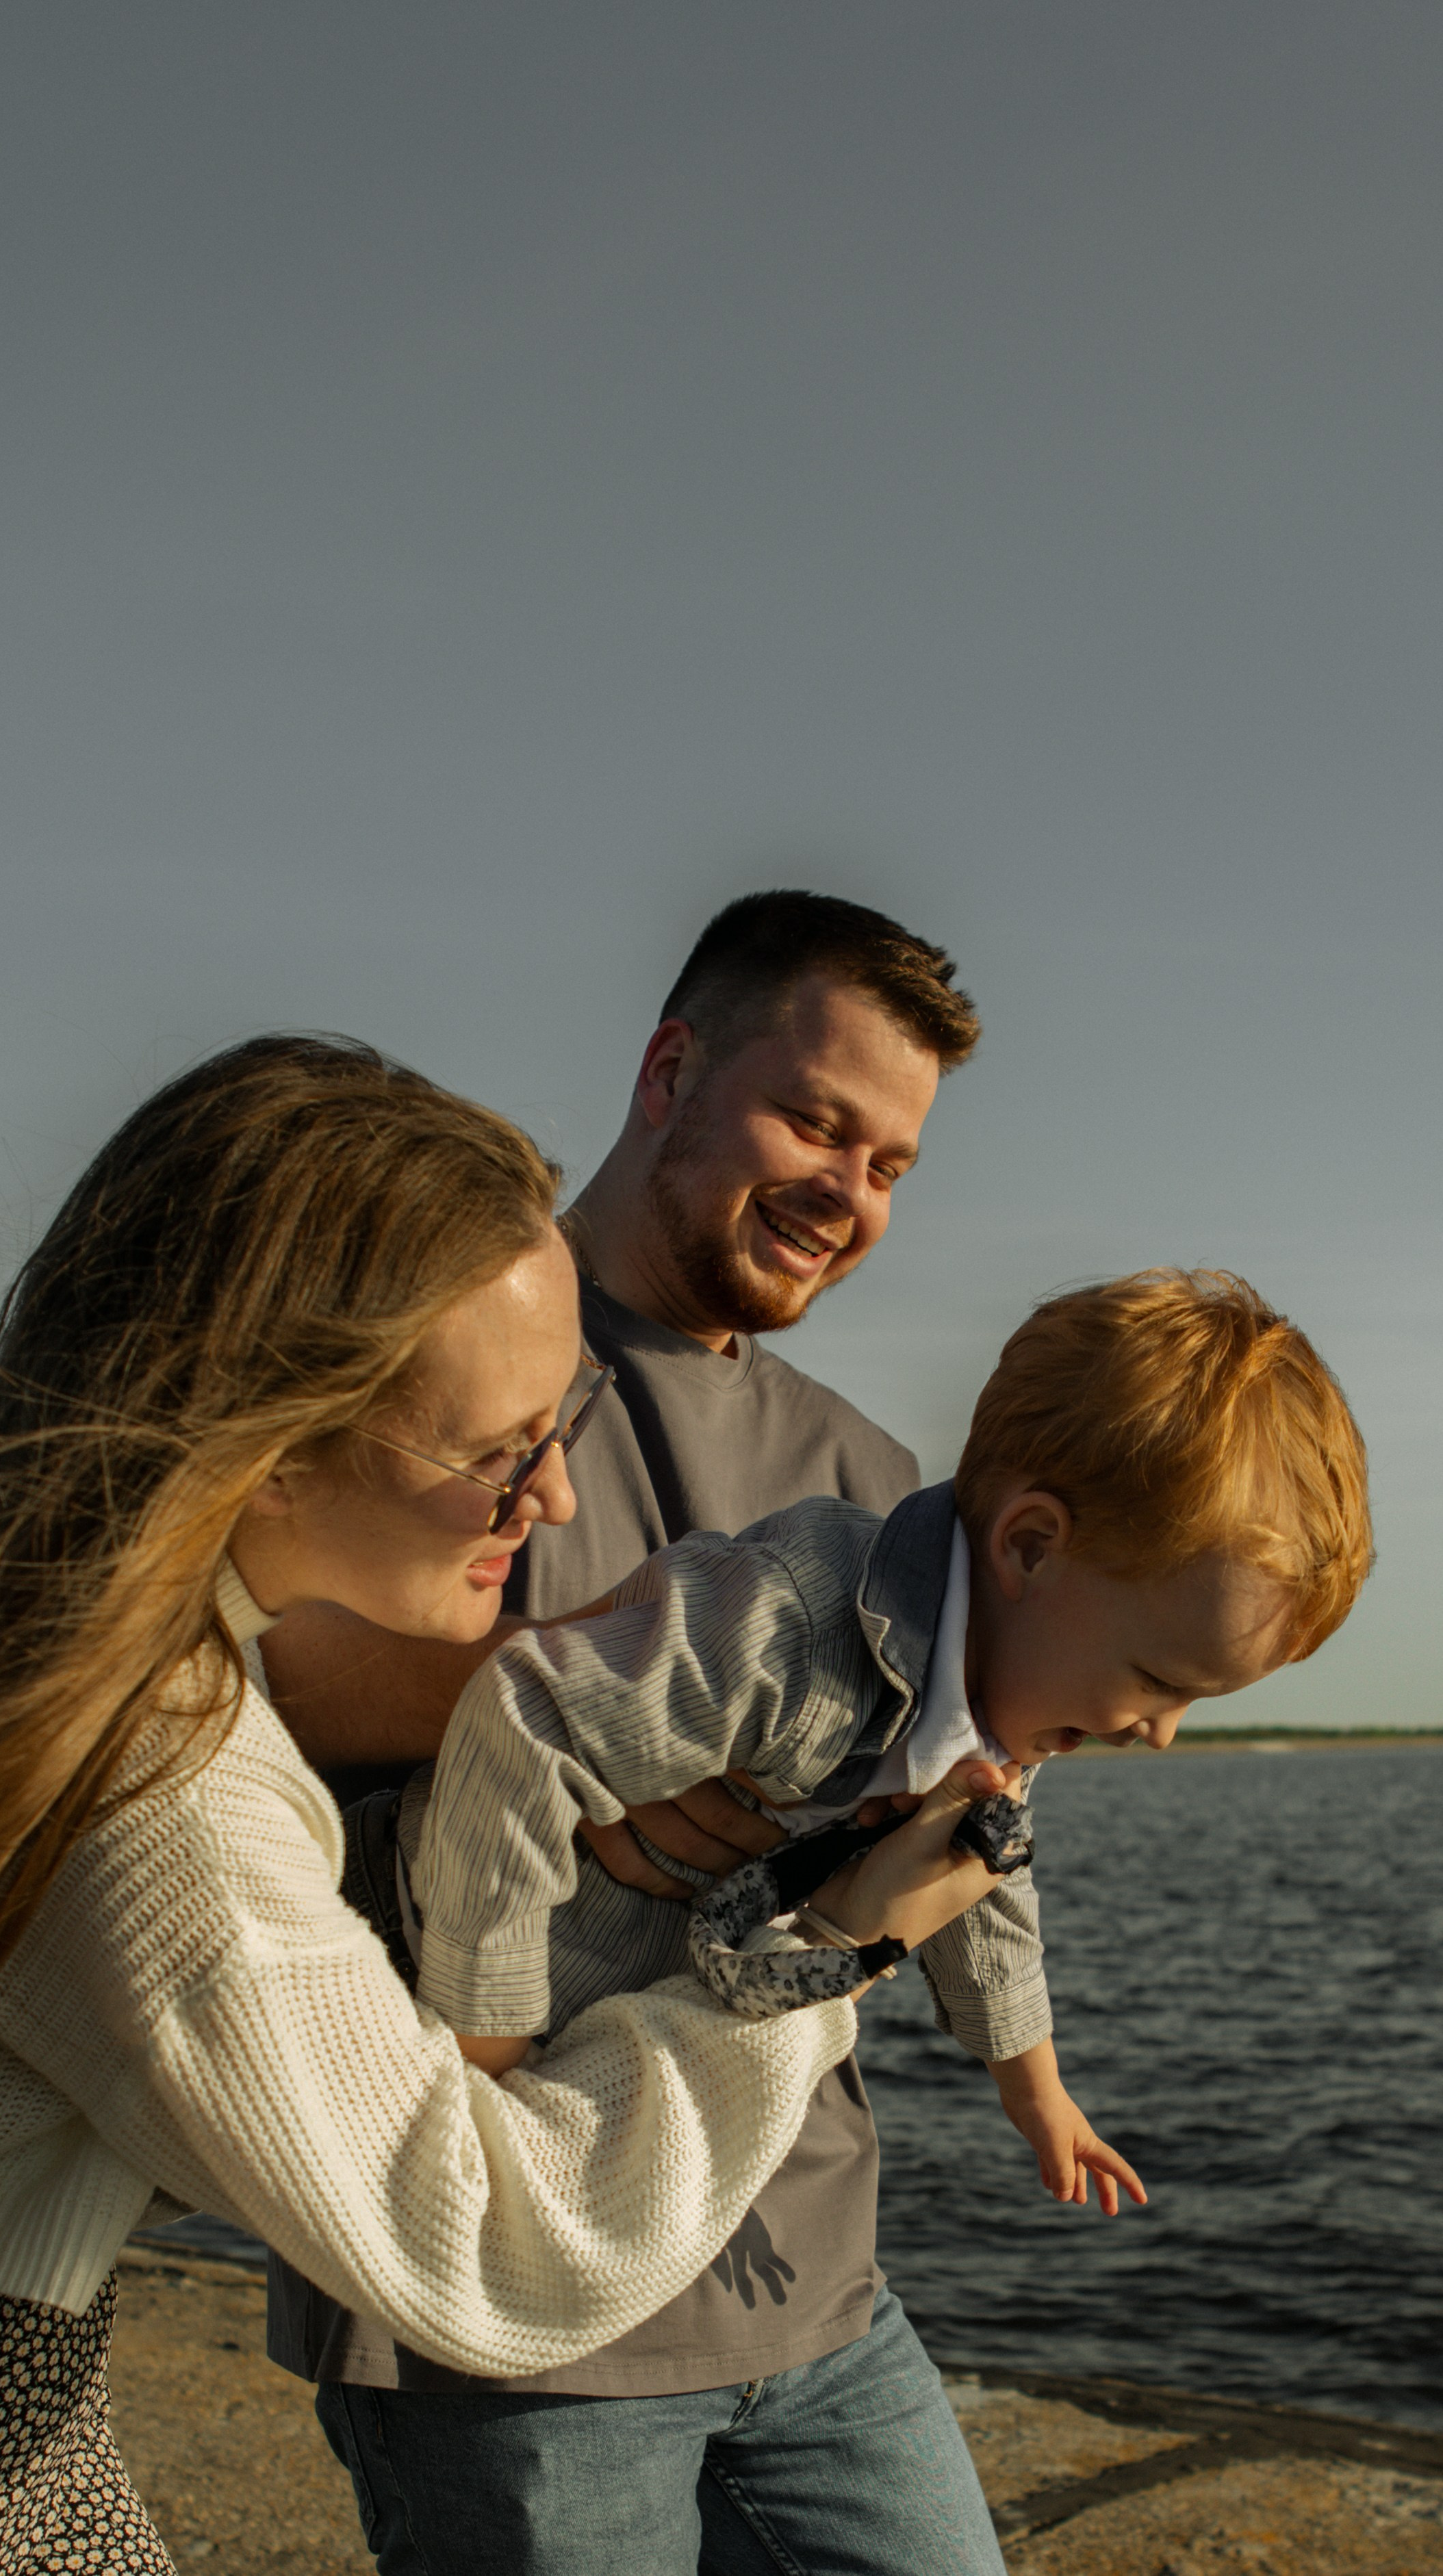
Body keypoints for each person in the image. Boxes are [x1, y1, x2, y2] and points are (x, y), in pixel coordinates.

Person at [0, 1035, 1000, 2569]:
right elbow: (489, 2249)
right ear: (268, 1440)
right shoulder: (153, 1778)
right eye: (498, 1450)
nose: (554, 1503)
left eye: (564, 1430)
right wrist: (819, 1951)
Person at [263, 893, 1074, 2576]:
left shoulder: (866, 1466)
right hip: (512, 2295)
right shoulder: (441, 1339)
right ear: (668, 1070)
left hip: (814, 2282)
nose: (846, 1192)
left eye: (892, 1165)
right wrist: (618, 1722)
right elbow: (239, 1651)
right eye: (814, 1120)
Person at [410, 1269, 1372, 2068]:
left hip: (618, 2036)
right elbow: (523, 1718)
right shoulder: (791, 1623)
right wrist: (485, 2036)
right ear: (1031, 1549)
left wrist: (1029, 2082)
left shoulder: (1008, 1693)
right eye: (1159, 1680)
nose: (1159, 1732)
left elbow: (986, 1884)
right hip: (455, 1974)